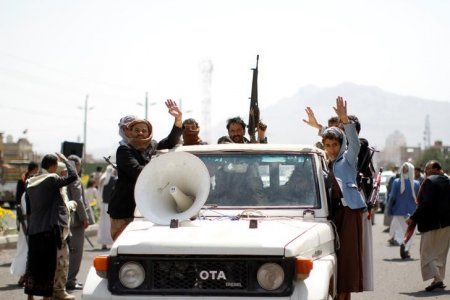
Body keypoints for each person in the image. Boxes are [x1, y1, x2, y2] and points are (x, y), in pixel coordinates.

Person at [108, 99, 183, 241]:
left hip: (147, 209)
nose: (141, 133)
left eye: (144, 130)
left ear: (149, 132)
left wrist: (178, 119)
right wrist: (163, 172)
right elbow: (137, 171)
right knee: (123, 248)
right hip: (125, 209)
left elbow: (171, 141)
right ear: (130, 132)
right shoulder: (124, 150)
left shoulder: (153, 146)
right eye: (136, 130)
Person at [316, 97, 368, 300]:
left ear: (341, 143)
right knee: (334, 259)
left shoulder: (347, 160)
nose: (331, 149)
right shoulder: (327, 163)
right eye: (327, 145)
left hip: (349, 214)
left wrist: (346, 121)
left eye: (335, 144)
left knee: (346, 261)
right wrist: (319, 128)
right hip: (333, 215)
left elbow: (353, 143)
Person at [24, 153, 78, 300]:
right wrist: (67, 161)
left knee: (33, 263)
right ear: (54, 166)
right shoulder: (51, 179)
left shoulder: (30, 181)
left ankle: (30, 296)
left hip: (34, 229)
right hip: (48, 229)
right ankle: (46, 298)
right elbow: (73, 177)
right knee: (48, 265)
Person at [406, 160, 450, 292]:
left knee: (426, 253)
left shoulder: (430, 181)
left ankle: (438, 279)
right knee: (440, 255)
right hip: (447, 224)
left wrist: (413, 218)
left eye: (427, 170)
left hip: (432, 224)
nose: (426, 173)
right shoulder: (448, 180)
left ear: (437, 169)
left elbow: (426, 204)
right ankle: (438, 280)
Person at [66, 154, 95, 291]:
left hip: (65, 221)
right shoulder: (75, 179)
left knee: (67, 252)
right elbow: (78, 200)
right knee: (75, 253)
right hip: (76, 222)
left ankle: (65, 279)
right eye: (79, 165)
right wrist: (84, 218)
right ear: (76, 165)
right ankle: (70, 281)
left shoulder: (63, 177)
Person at [11, 161, 39, 287]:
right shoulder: (27, 194)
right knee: (27, 250)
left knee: (27, 250)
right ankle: (24, 275)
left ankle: (25, 276)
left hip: (28, 226)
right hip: (29, 226)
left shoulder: (27, 193)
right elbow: (29, 212)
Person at [53, 162, 78, 300]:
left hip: (63, 231)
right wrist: (71, 205)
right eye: (63, 173)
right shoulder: (56, 188)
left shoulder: (60, 188)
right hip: (59, 231)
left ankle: (57, 289)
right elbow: (60, 209)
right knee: (61, 262)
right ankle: (58, 291)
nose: (64, 175)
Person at [388, 162, 420, 259]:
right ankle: (406, 249)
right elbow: (419, 199)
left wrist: (389, 209)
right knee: (410, 232)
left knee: (400, 231)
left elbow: (392, 197)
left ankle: (402, 243)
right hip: (412, 213)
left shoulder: (396, 182)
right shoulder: (416, 183)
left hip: (398, 211)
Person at [97, 165, 116, 249]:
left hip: (104, 205)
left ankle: (104, 243)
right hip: (111, 205)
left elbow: (99, 193)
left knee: (104, 225)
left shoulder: (103, 179)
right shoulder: (114, 179)